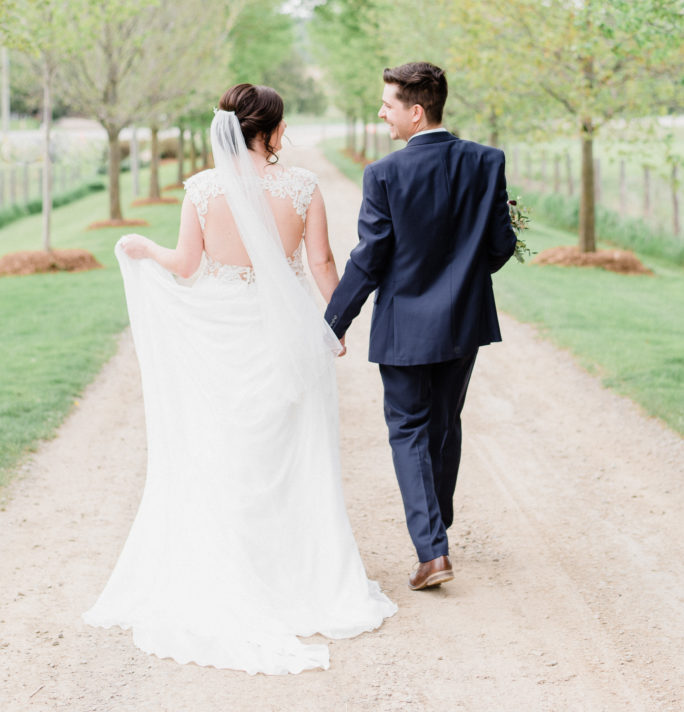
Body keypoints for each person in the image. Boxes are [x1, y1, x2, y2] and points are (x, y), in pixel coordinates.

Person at [83, 84, 396, 675]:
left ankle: (228, 563)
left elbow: (186, 266)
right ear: (272, 131)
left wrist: (141, 247)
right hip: (286, 333)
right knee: (291, 450)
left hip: (221, 331)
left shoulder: (202, 189)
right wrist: (335, 326)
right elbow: (323, 264)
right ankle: (296, 571)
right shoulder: (302, 188)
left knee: (223, 446)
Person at [324, 62, 517, 591]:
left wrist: (334, 321)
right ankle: (438, 529)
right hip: (464, 322)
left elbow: (370, 258)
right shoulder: (487, 161)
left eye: (387, 103)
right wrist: (462, 279)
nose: (380, 112)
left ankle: (433, 552)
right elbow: (501, 245)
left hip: (405, 325)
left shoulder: (384, 174)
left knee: (409, 429)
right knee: (444, 422)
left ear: (416, 111)